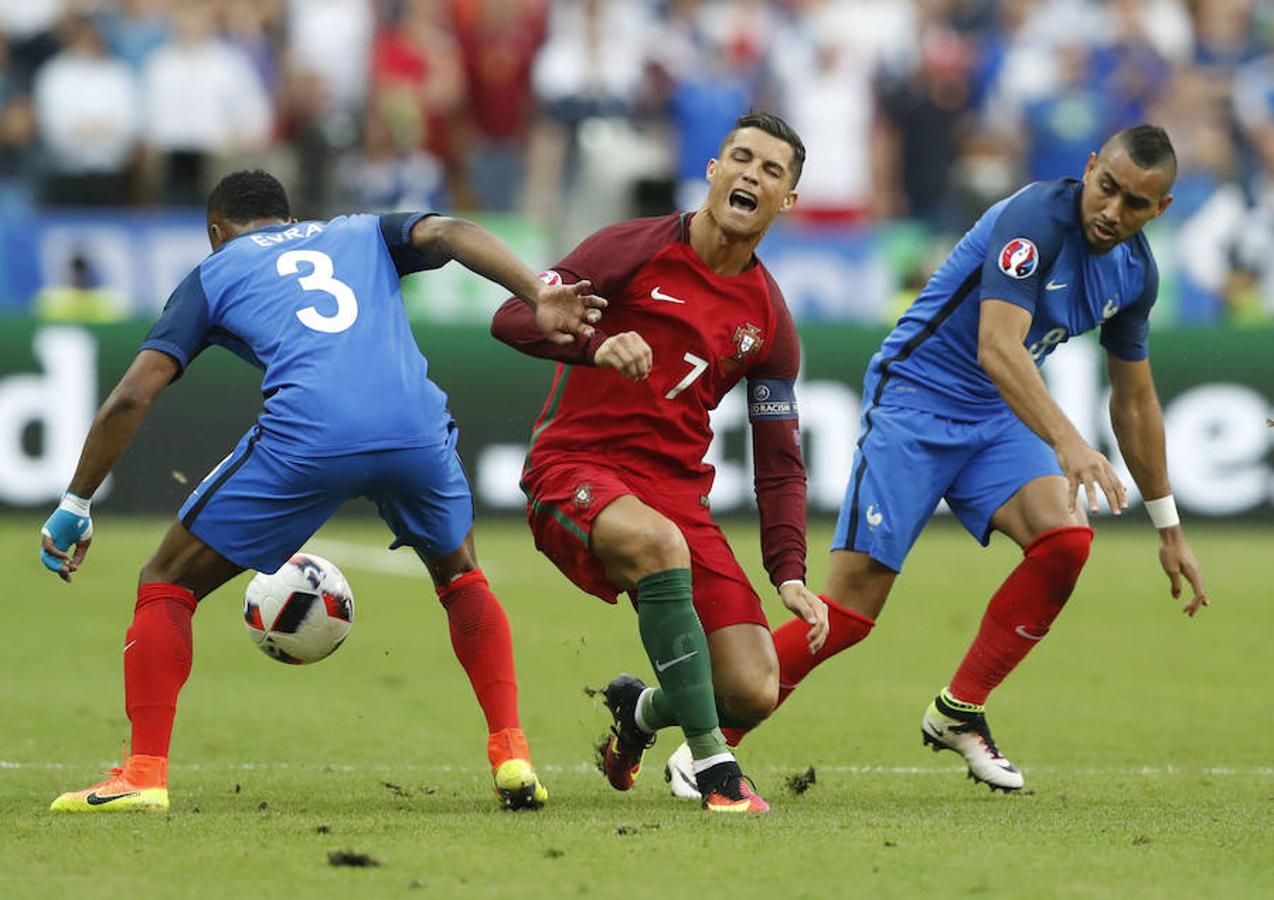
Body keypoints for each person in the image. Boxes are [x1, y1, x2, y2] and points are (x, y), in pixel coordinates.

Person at [670, 124, 1210, 795]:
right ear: (1091, 167)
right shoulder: (1033, 218)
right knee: (848, 611)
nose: (1112, 212)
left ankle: (960, 710)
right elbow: (998, 346)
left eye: (1135, 204)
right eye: (1108, 188)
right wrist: (1069, 441)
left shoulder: (1136, 273)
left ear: (1161, 209)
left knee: (1065, 540)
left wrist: (1169, 528)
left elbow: (1136, 403)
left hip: (994, 416)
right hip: (916, 400)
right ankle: (709, 746)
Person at [39, 169, 603, 813]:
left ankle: (142, 775)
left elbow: (133, 394)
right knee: (461, 577)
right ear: (288, 216)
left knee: (166, 581)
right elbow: (451, 231)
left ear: (215, 232)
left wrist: (76, 502)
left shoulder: (214, 271)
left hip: (311, 434)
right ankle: (512, 754)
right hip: (415, 429)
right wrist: (536, 291)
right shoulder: (359, 232)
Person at [491, 112, 837, 814]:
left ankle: (639, 714)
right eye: (740, 158)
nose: (751, 175)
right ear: (712, 171)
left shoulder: (769, 322)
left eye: (771, 171)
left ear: (787, 202)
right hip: (574, 466)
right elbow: (511, 317)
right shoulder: (631, 248)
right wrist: (592, 344)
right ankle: (716, 771)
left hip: (675, 495)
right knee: (658, 544)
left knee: (754, 687)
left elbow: (779, 461)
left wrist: (790, 572)